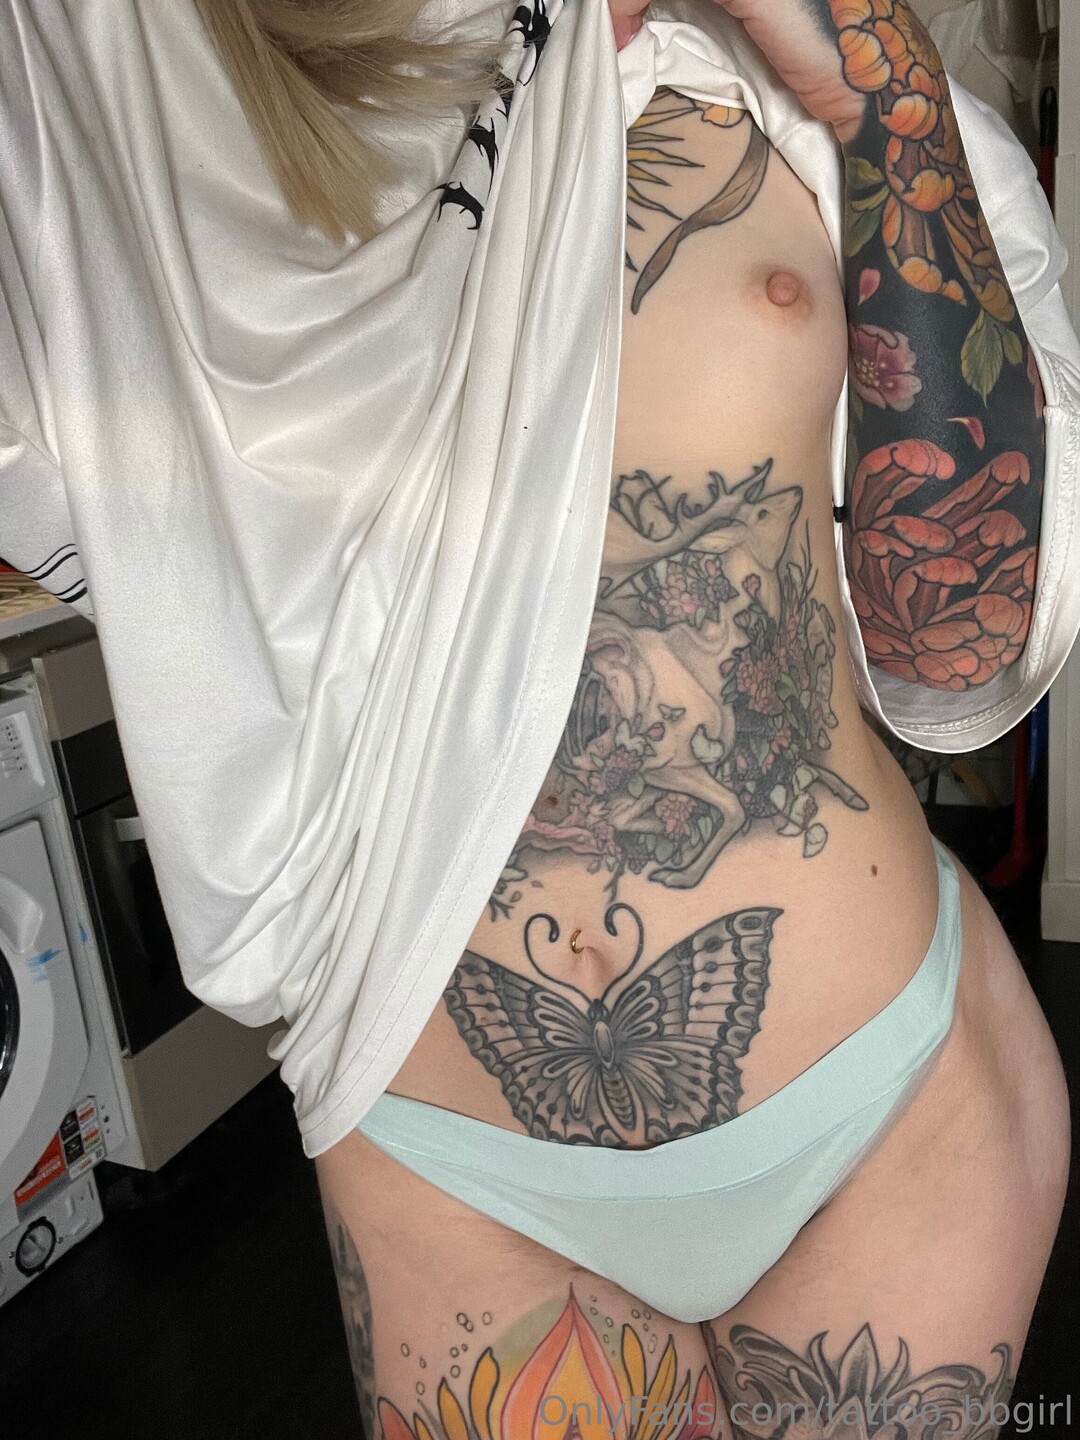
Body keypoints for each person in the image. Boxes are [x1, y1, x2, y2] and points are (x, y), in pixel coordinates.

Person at [0, 0, 1075, 1434]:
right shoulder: (150, 75)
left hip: (883, 1108)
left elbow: (965, 637)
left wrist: (881, 85)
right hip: (452, 1158)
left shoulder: (782, 72)